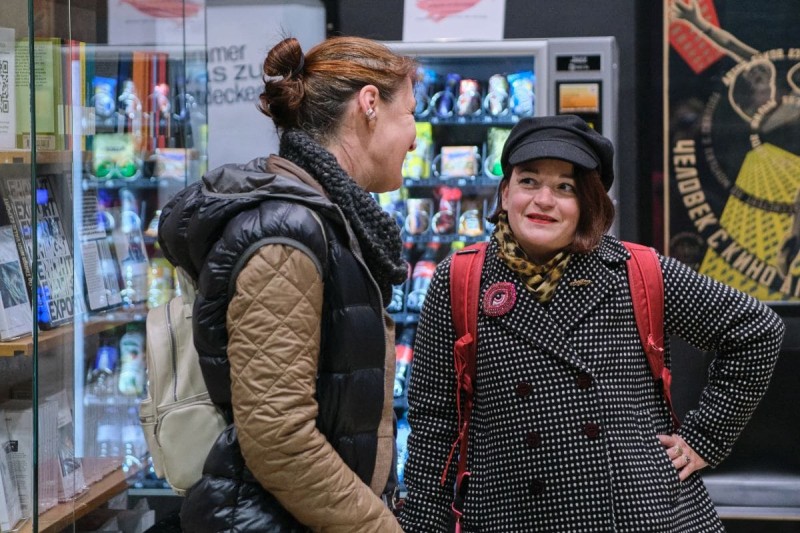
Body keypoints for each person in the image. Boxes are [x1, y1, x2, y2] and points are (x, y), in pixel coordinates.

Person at [398, 114, 785, 532]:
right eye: (529, 181)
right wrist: (421, 525)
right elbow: (435, 423)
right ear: (506, 192)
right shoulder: (461, 279)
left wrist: (704, 439)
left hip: (641, 517)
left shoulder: (634, 270)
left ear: (588, 203)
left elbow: (757, 329)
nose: (543, 200)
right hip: (510, 517)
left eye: (565, 187)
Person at [158, 36, 418, 531]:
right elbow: (278, 437)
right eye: (409, 114)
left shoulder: (323, 218)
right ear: (369, 104)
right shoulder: (288, 231)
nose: (415, 138)